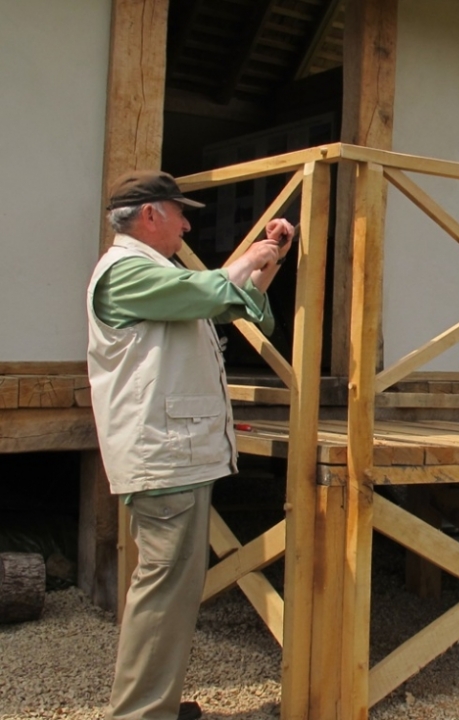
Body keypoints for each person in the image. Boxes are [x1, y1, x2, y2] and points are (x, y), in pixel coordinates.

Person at [87, 170, 293, 720]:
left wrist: (268, 256)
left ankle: (151, 705)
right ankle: (141, 714)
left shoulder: (154, 272)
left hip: (173, 453)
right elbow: (213, 290)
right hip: (164, 456)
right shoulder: (126, 272)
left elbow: (233, 303)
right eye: (179, 213)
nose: (185, 223)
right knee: (164, 592)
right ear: (150, 214)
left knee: (169, 590)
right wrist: (249, 258)